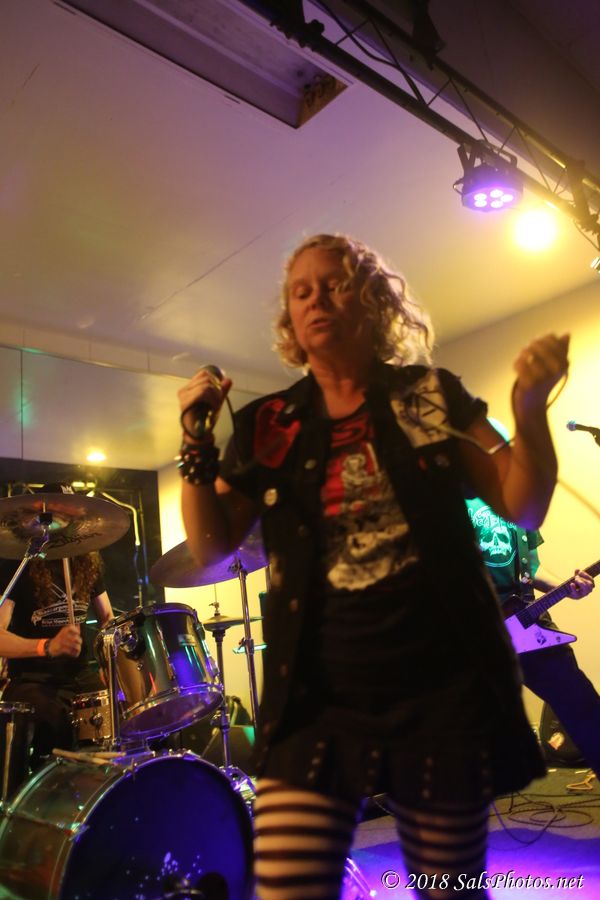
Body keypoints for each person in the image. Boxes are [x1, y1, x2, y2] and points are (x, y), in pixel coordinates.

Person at [176, 233, 569, 900]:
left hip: (440, 690)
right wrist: (195, 439)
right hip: (314, 699)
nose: (315, 299)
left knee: (450, 888)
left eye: (333, 284)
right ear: (289, 320)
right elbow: (211, 546)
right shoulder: (270, 422)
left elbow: (522, 502)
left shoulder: (430, 396)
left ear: (373, 301)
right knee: (286, 886)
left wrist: (529, 411)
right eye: (301, 291)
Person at [467, 487, 600, 778]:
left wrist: (567, 587)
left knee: (581, 703)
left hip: (527, 619)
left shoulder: (517, 503)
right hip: (475, 627)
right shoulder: (451, 502)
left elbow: (532, 568)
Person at [0, 486, 114, 774]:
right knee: (52, 720)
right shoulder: (19, 562)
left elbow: (108, 619)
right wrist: (47, 646)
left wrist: (112, 664)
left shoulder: (86, 562)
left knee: (116, 715)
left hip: (80, 676)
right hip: (33, 679)